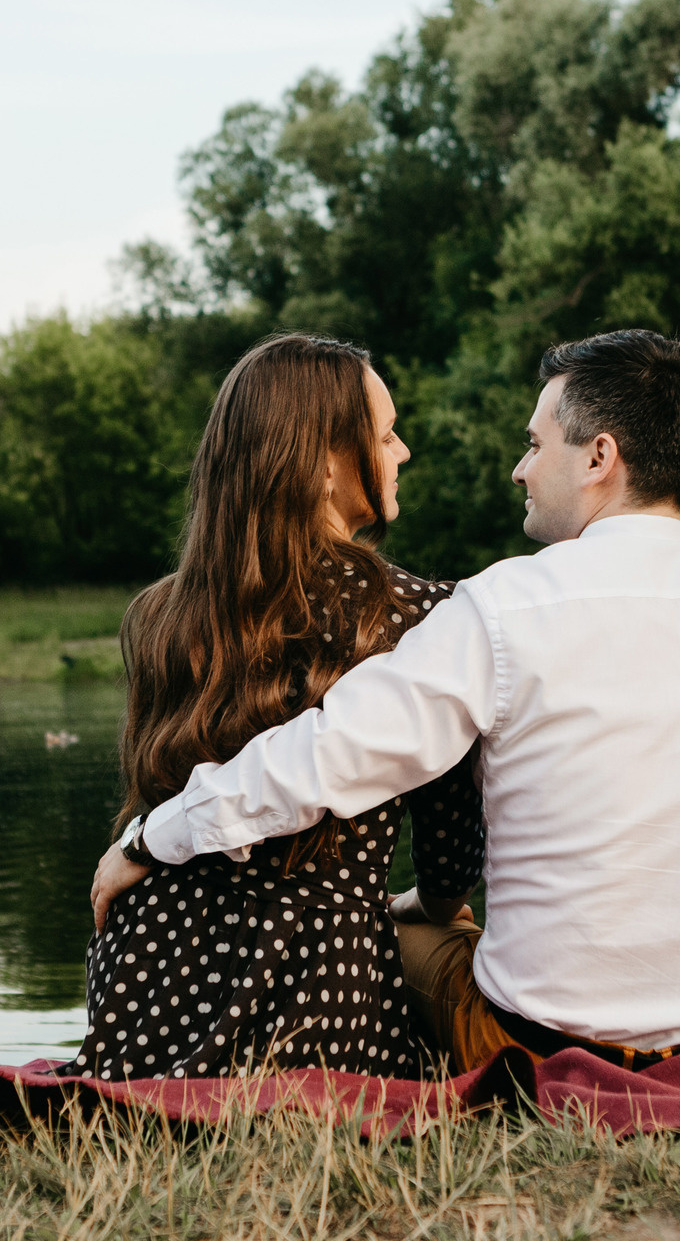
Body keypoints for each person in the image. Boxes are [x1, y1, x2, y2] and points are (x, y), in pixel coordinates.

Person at [91, 329, 680, 1071]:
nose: (520, 469)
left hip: (535, 1044)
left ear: (599, 458)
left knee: (417, 928)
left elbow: (325, 756)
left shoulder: (498, 610)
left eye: (535, 444)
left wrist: (152, 838)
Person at [64, 332, 485, 1082]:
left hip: (150, 969)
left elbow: (161, 799)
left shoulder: (161, 616)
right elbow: (452, 854)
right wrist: (432, 906)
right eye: (385, 434)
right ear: (325, 462)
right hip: (316, 983)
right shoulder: (419, 614)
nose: (403, 450)